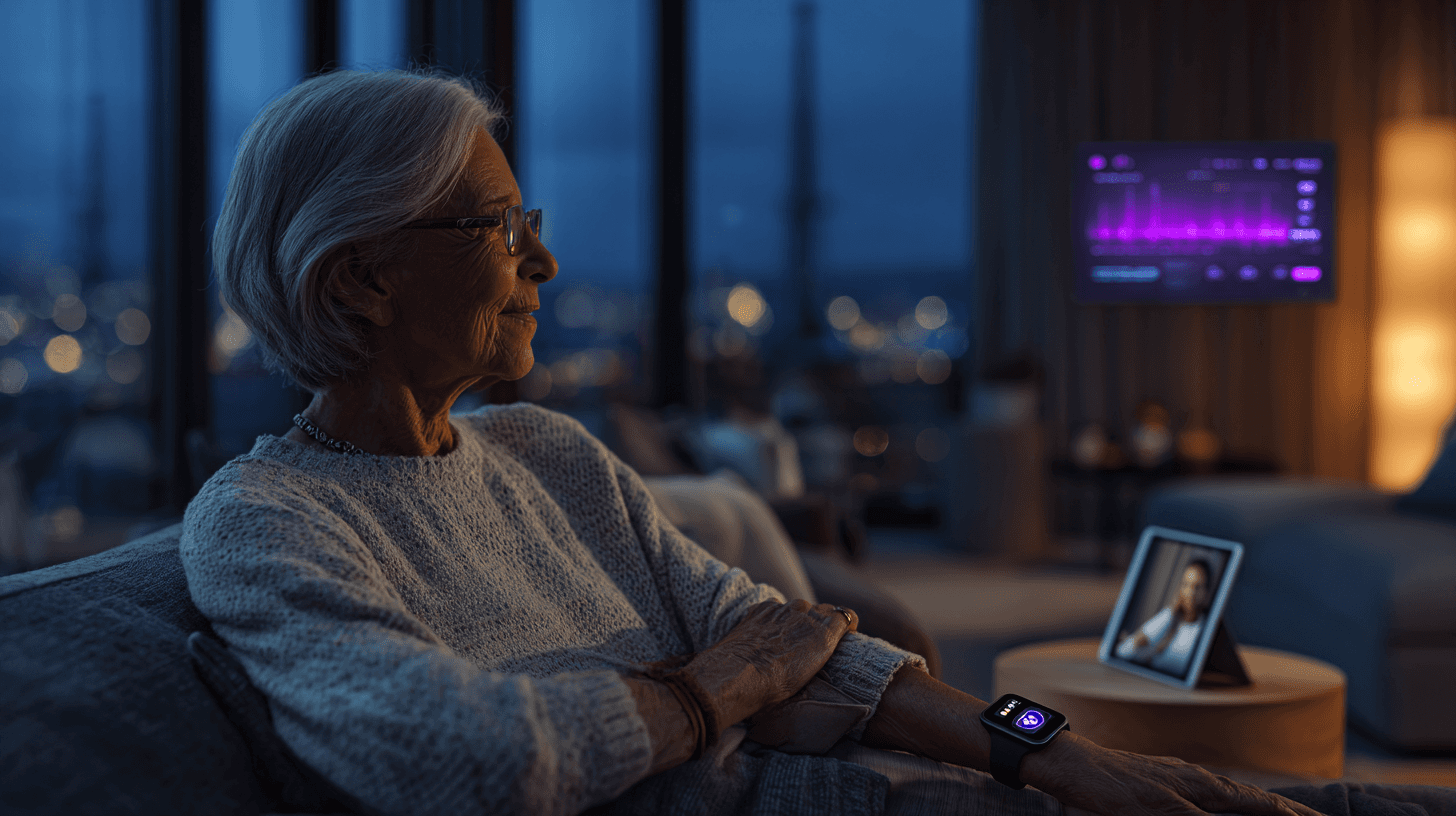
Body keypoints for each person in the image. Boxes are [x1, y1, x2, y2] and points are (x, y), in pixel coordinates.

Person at [183, 68, 1454, 816]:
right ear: (359, 281)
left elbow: (840, 660)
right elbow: (462, 754)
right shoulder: (269, 522)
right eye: (499, 229)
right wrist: (722, 688)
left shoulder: (548, 456)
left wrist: (1074, 758)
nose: (546, 263)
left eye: (534, 222)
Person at [1116, 557, 1213, 676]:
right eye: (1185, 584)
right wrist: (1170, 612)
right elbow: (1124, 651)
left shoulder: (1205, 630)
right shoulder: (1169, 617)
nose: (1190, 593)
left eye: (1197, 587)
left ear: (1206, 593)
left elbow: (1177, 671)